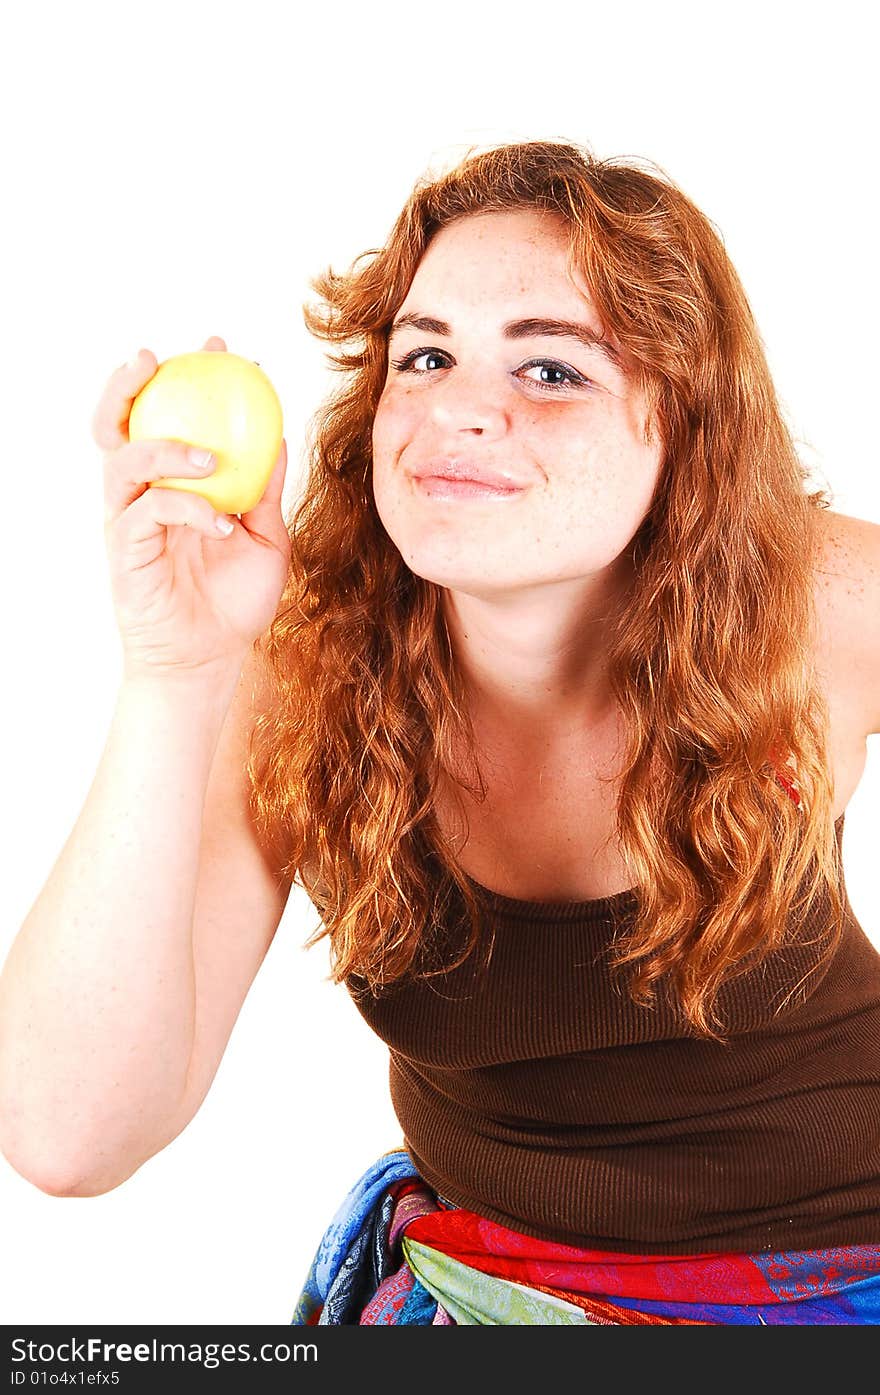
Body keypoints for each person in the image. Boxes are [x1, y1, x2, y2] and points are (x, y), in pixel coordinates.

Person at [1, 140, 879, 1326]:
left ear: (685, 425)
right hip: (481, 1287)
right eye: (424, 355)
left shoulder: (821, 605)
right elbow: (66, 1137)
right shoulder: (303, 659)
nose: (458, 408)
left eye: (552, 371)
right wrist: (175, 671)